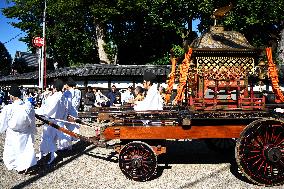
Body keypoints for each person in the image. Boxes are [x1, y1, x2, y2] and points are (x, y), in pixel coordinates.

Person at [0, 84, 37, 173]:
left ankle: (16, 165)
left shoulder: (8, 108)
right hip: (25, 132)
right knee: (25, 150)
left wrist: (2, 129)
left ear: (12, 96)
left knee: (13, 151)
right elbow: (32, 120)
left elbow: (3, 122)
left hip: (13, 133)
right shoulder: (28, 106)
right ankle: (25, 165)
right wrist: (32, 129)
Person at [35, 79, 70, 164]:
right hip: (59, 121)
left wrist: (35, 111)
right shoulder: (64, 98)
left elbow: (46, 109)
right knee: (52, 139)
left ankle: (52, 154)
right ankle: (42, 153)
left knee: (47, 138)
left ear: (54, 88)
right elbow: (66, 111)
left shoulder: (54, 97)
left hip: (51, 122)